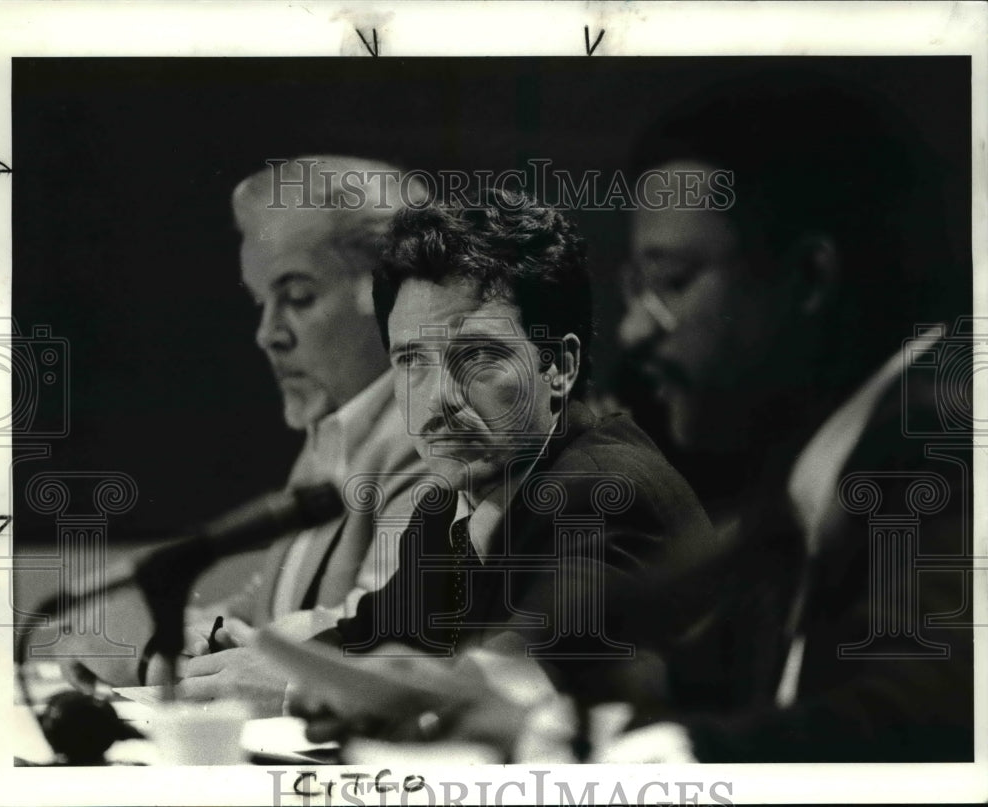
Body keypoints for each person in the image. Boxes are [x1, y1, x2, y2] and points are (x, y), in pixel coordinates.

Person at [603, 69, 973, 762]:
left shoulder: (945, 434)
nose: (633, 332)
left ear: (809, 278)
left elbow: (950, 698)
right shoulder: (824, 459)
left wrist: (685, 751)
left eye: (673, 282)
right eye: (635, 288)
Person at [299, 187, 719, 729]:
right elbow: (369, 638)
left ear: (559, 367)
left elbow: (515, 674)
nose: (437, 400)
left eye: (476, 356)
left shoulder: (599, 488)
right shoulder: (446, 515)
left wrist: (301, 685)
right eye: (412, 361)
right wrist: (255, 666)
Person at [57, 156, 427, 715]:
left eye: (298, 297)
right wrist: (164, 633)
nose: (266, 334)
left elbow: (369, 634)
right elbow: (268, 609)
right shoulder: (334, 434)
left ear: (392, 297)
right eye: (262, 301)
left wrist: (158, 662)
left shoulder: (434, 441)